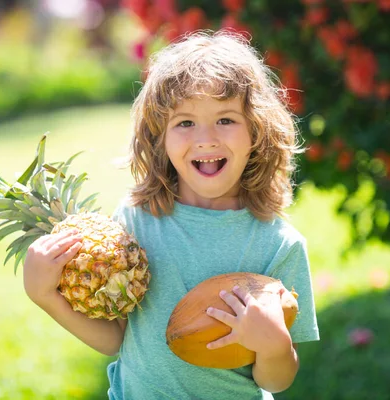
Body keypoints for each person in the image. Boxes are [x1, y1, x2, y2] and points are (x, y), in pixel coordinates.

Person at [23, 30, 320, 399]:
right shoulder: (136, 220)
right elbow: (116, 338)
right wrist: (45, 295)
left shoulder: (277, 245)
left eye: (226, 119)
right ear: (158, 136)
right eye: (185, 123)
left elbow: (274, 380)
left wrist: (274, 346)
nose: (206, 138)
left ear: (257, 131)